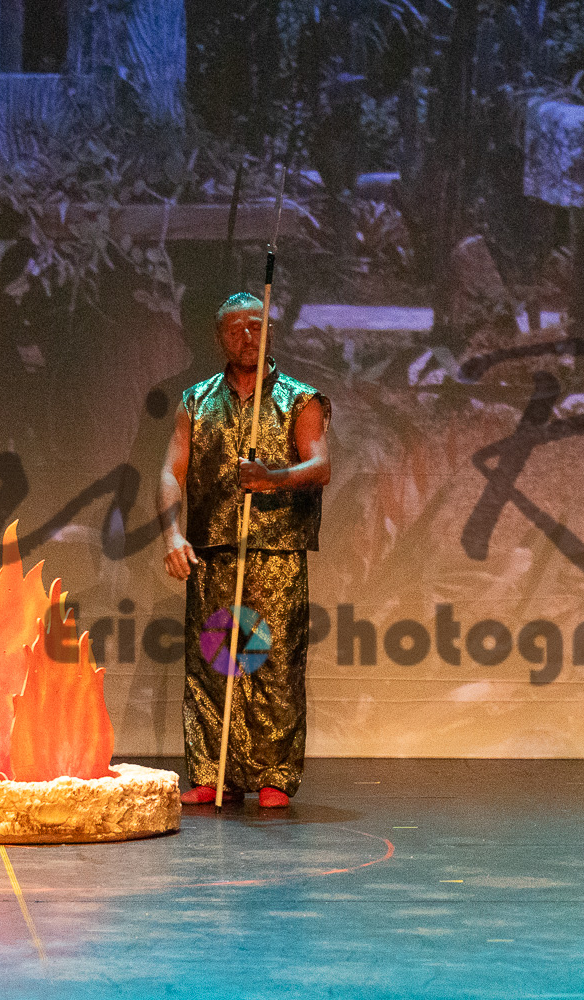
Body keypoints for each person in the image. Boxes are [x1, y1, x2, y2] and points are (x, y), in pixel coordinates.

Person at [159, 292, 332, 809]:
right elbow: (171, 470)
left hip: (276, 551)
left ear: (270, 331)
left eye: (255, 326)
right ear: (219, 337)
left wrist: (272, 478)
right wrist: (172, 534)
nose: (246, 337)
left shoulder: (300, 399)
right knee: (215, 664)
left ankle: (275, 774)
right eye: (234, 329)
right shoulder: (196, 401)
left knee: (274, 665)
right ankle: (215, 775)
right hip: (213, 551)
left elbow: (320, 466)